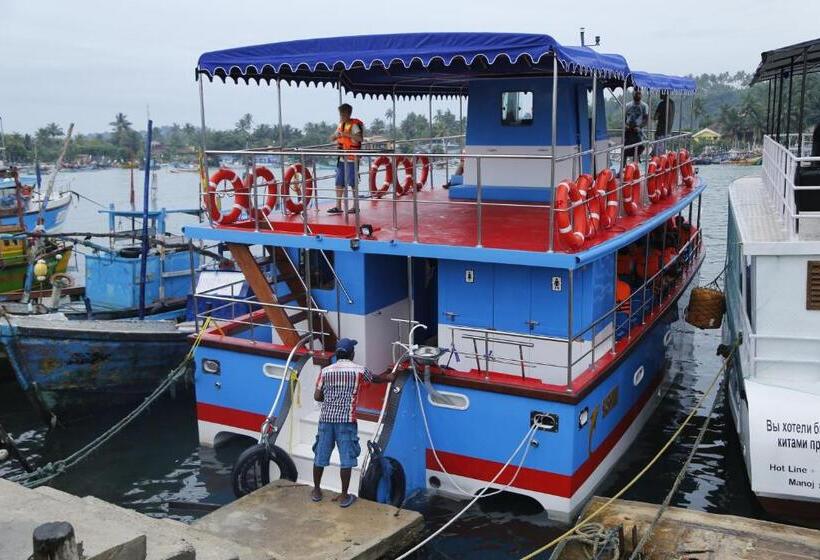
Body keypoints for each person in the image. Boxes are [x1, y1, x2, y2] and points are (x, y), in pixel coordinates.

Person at [312, 338, 395, 507]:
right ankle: (344, 496)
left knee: (320, 454)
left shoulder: (326, 371)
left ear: (337, 353)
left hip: (326, 419)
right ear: (351, 353)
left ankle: (317, 490)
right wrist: (389, 377)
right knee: (346, 458)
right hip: (346, 420)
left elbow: (317, 396)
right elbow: (375, 379)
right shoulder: (358, 370)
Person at [328, 104, 364, 214]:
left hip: (352, 158)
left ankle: (355, 206)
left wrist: (346, 134)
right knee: (339, 182)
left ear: (348, 114)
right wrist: (336, 136)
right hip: (342, 158)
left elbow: (359, 138)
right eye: (340, 114)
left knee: (353, 183)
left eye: (343, 114)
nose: (341, 116)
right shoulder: (340, 125)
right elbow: (331, 138)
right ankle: (338, 206)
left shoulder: (354, 126)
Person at [623, 89, 648, 166]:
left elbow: (646, 120)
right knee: (624, 150)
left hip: (638, 133)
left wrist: (639, 127)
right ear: (633, 94)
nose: (637, 95)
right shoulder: (628, 105)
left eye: (639, 93)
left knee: (637, 150)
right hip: (628, 132)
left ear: (641, 95)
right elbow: (624, 118)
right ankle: (623, 168)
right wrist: (625, 125)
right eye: (636, 93)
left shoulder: (644, 106)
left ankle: (635, 169)